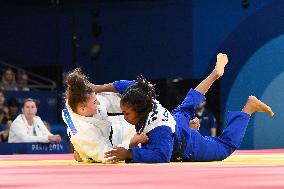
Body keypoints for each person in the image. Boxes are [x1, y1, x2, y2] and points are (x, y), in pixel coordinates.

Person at [98, 53, 274, 163]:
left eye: (127, 113)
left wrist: (130, 154)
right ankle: (214, 74)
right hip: (176, 119)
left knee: (224, 148)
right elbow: (126, 86)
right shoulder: (144, 98)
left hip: (188, 143)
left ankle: (248, 108)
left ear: (139, 110)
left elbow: (162, 156)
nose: (125, 116)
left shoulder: (159, 131)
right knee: (191, 100)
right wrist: (97, 88)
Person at [62, 68, 137, 163]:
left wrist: (100, 88)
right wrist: (130, 143)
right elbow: (108, 156)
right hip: (101, 144)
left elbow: (131, 92)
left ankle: (83, 154)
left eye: (96, 98)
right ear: (82, 109)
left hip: (111, 133)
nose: (98, 103)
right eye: (94, 102)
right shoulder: (83, 131)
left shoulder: (84, 99)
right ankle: (86, 154)